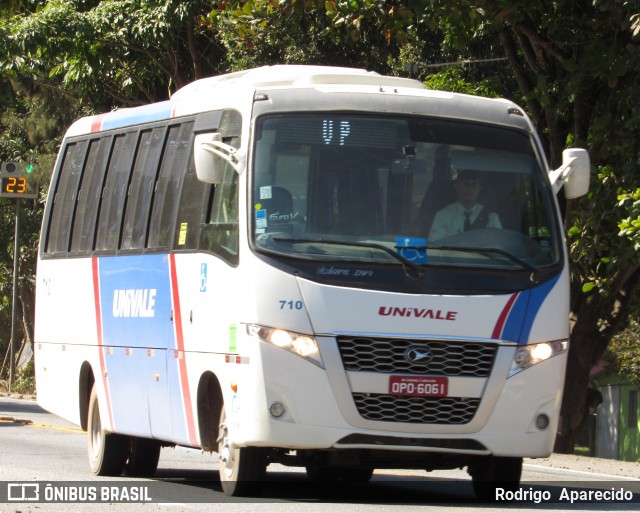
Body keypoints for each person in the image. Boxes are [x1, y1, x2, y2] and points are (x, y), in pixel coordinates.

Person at [428, 170, 501, 241]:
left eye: (474, 184)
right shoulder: (443, 216)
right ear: (456, 187)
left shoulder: (491, 217)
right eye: (465, 184)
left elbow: (498, 246)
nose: (470, 188)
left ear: (479, 188)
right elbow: (435, 247)